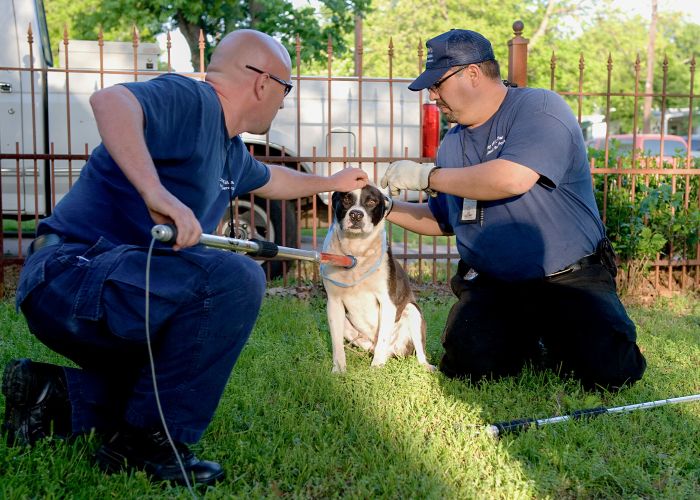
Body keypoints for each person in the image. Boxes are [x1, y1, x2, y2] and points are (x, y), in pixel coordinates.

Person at [2, 29, 368, 485]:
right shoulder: (192, 101)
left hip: (108, 288)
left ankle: (49, 396)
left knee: (168, 380)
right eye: (285, 89)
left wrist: (331, 182)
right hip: (70, 276)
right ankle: (148, 445)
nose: (283, 101)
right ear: (262, 83)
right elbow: (111, 102)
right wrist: (155, 192)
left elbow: (271, 179)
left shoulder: (229, 151)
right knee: (237, 278)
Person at [380, 29, 646, 391]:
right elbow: (443, 219)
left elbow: (512, 178)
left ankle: (553, 336)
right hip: (495, 283)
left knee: (610, 375)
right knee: (470, 365)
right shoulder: (452, 144)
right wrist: (382, 206)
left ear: (472, 74)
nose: (432, 95)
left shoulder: (539, 108)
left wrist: (428, 175)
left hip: (567, 277)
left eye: (437, 84)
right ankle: (527, 339)